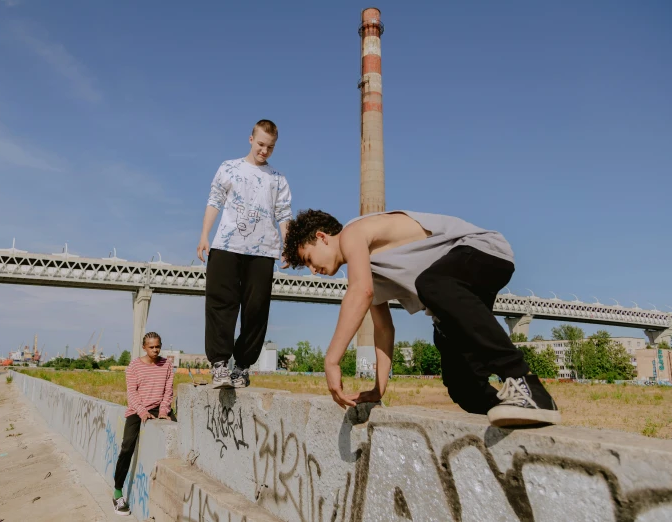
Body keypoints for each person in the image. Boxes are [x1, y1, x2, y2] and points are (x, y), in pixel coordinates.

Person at [282, 209, 560, 428]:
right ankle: (515, 410)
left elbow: (360, 292)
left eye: (308, 260)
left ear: (321, 237)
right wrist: (379, 388)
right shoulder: (366, 269)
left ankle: (525, 383)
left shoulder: (353, 233)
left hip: (482, 252)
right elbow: (383, 329)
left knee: (431, 286)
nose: (312, 271)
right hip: (455, 288)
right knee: (463, 388)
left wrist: (331, 360)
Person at [197, 120, 292, 389]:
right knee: (221, 305)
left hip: (263, 252)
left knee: (256, 310)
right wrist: (205, 235)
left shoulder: (277, 179)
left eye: (270, 148)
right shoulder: (229, 167)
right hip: (226, 245)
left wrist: (288, 245)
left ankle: (241, 367)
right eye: (261, 144)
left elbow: (284, 214)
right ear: (251, 139)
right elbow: (214, 200)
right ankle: (219, 366)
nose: (264, 151)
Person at [112, 332, 174, 516]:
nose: (155, 350)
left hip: (158, 409)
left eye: (157, 346)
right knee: (127, 446)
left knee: (176, 439)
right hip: (137, 409)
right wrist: (142, 411)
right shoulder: (134, 366)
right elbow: (132, 393)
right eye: (151, 347)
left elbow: (168, 391)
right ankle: (117, 492)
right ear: (144, 347)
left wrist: (163, 411)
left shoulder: (167, 365)